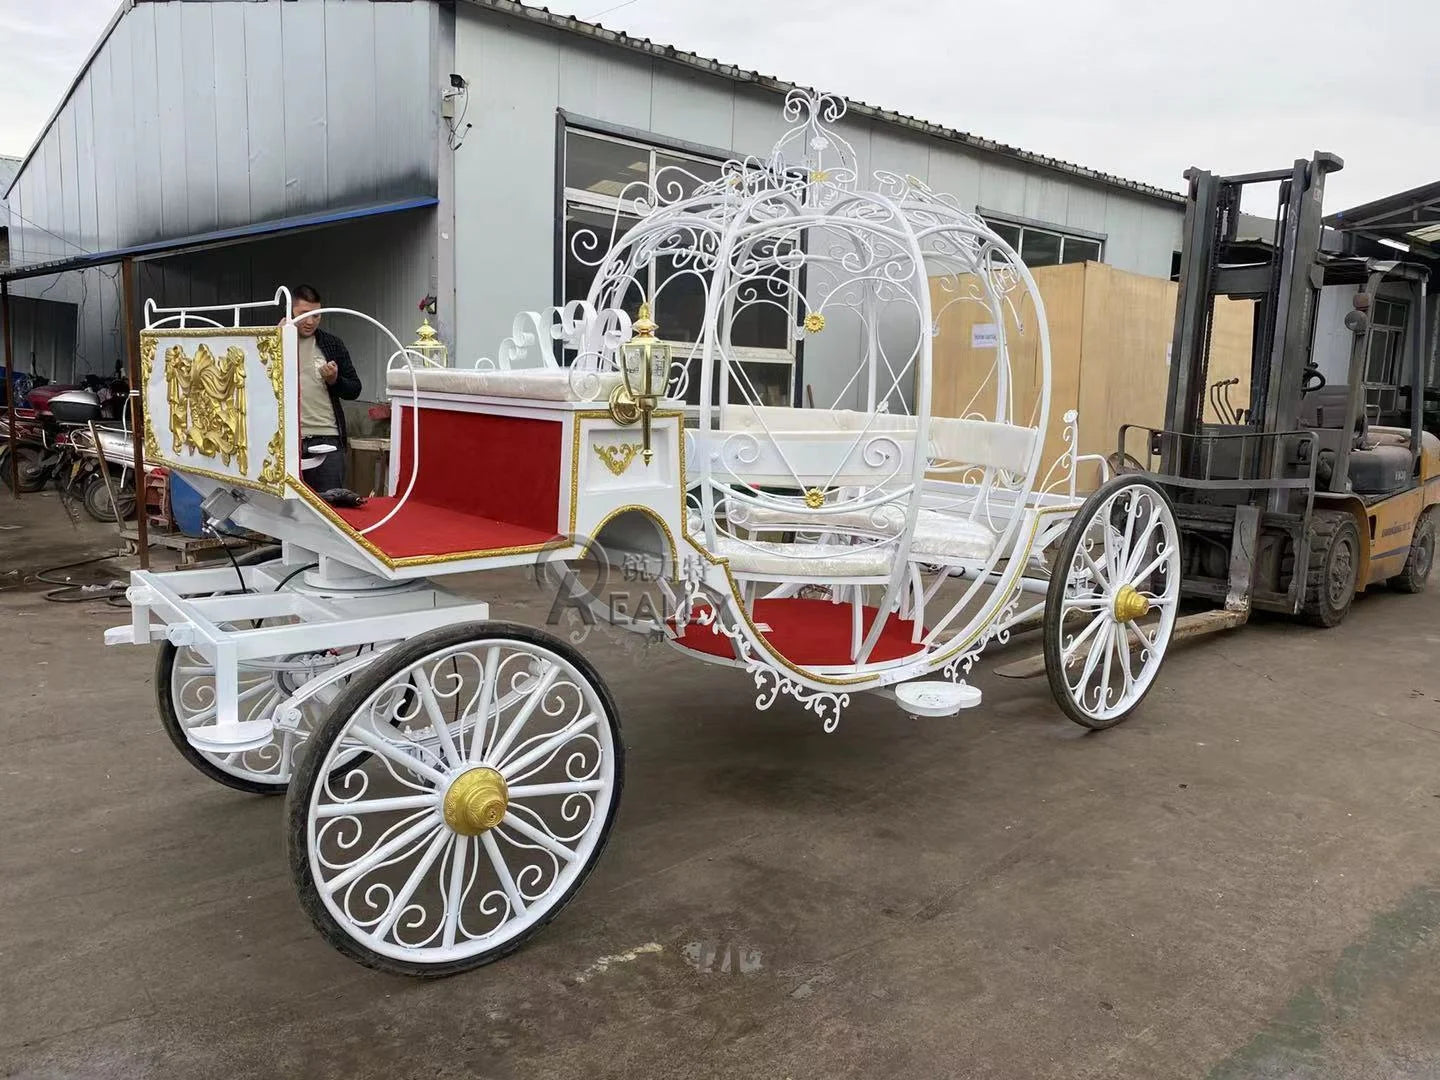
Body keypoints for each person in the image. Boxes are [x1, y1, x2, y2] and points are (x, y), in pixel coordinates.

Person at [289, 284, 361, 492]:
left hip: (327, 437)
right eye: (303, 314)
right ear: (290, 311)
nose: (311, 321)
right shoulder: (271, 341)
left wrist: (334, 380)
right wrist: (276, 337)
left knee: (331, 505)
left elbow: (354, 389)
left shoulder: (332, 344)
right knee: (287, 508)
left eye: (317, 315)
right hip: (286, 439)